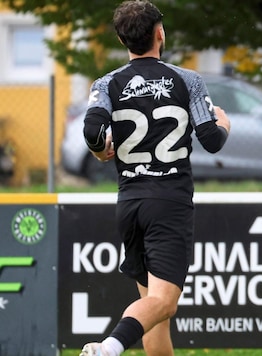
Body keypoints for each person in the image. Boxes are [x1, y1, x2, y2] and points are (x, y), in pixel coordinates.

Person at [79, 1, 230, 355]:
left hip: (130, 203)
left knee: (154, 315)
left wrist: (100, 148)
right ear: (160, 33)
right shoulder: (187, 79)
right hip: (168, 203)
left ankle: (114, 345)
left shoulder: (107, 82)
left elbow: (91, 130)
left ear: (121, 38)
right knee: (164, 303)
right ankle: (110, 347)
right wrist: (224, 123)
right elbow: (211, 139)